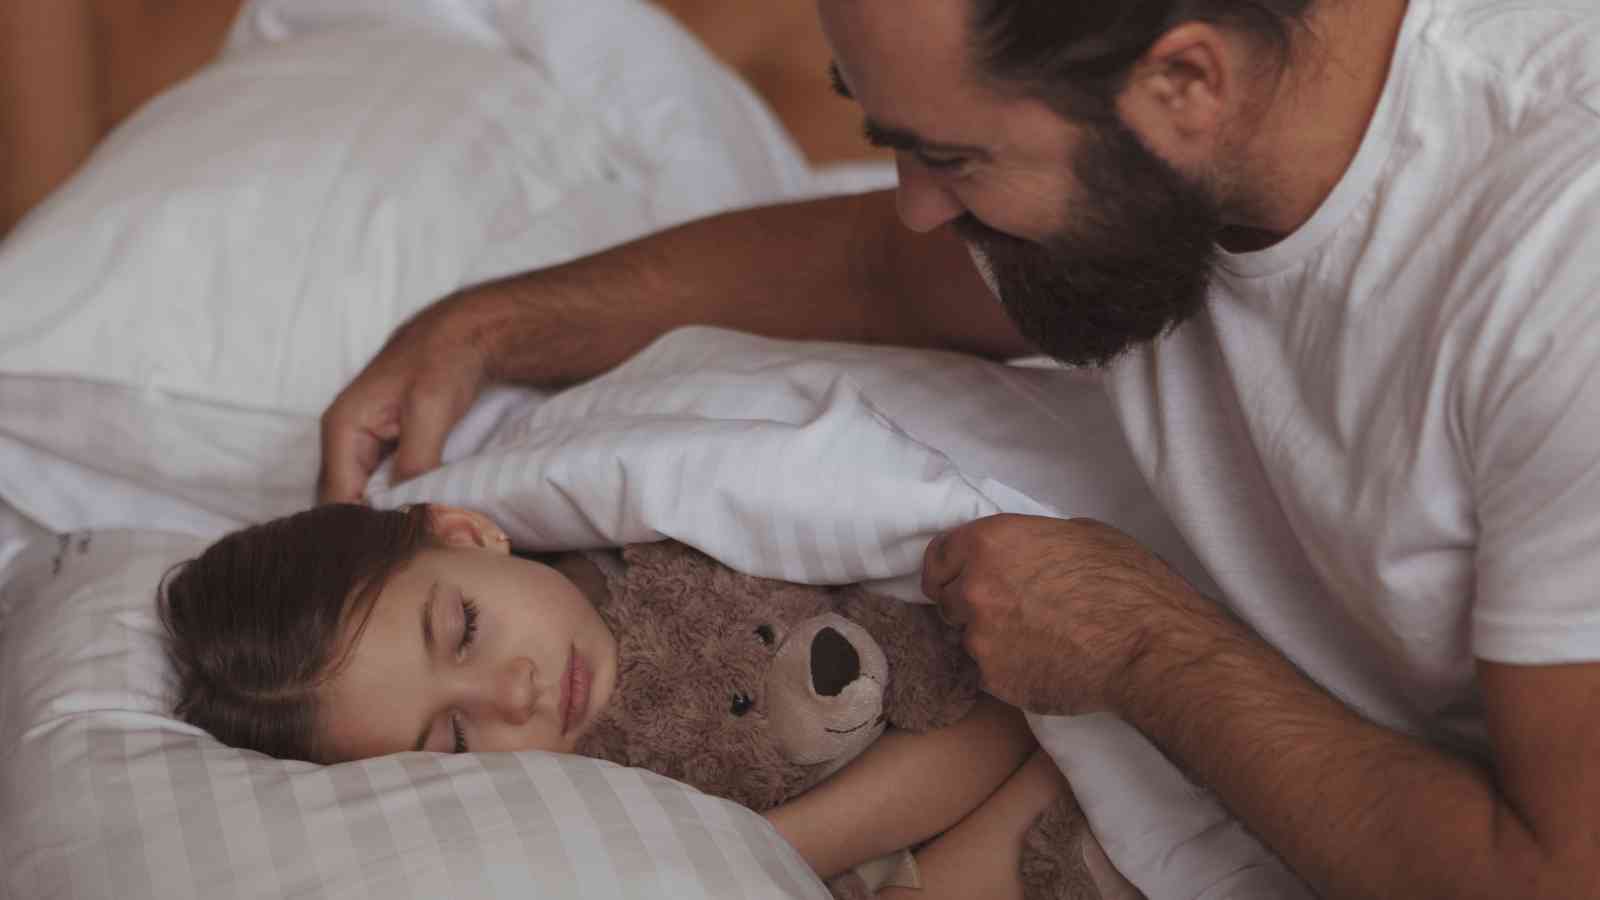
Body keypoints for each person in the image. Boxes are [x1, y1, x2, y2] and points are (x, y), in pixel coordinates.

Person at [318, 0, 1600, 897]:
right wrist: (492, 324)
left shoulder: (1555, 286)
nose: (921, 209)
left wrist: (1142, 647)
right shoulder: (1167, 151)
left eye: (949, 157)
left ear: (1185, 83)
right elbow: (890, 270)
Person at [158, 501, 1124, 900]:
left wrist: (781, 849)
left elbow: (988, 712)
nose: (515, 692)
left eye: (463, 630)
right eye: (451, 738)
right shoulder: (591, 816)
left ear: (467, 531)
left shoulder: (680, 539)